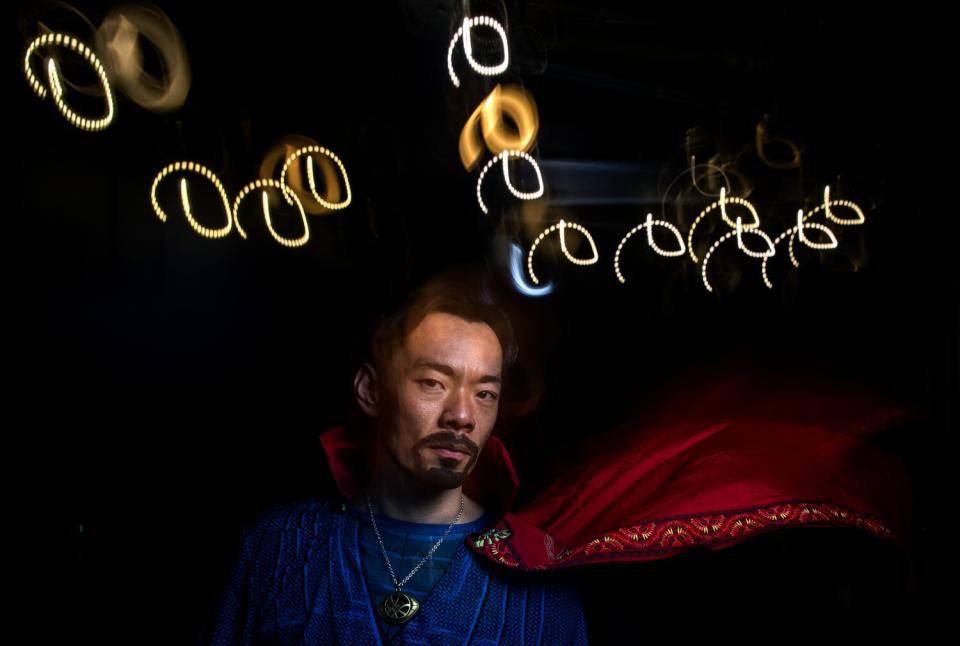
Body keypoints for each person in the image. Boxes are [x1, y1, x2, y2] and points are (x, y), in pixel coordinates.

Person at [209, 269, 590, 645]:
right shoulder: (275, 547)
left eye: (484, 393)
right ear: (371, 390)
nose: (461, 415)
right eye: (433, 383)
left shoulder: (540, 580)